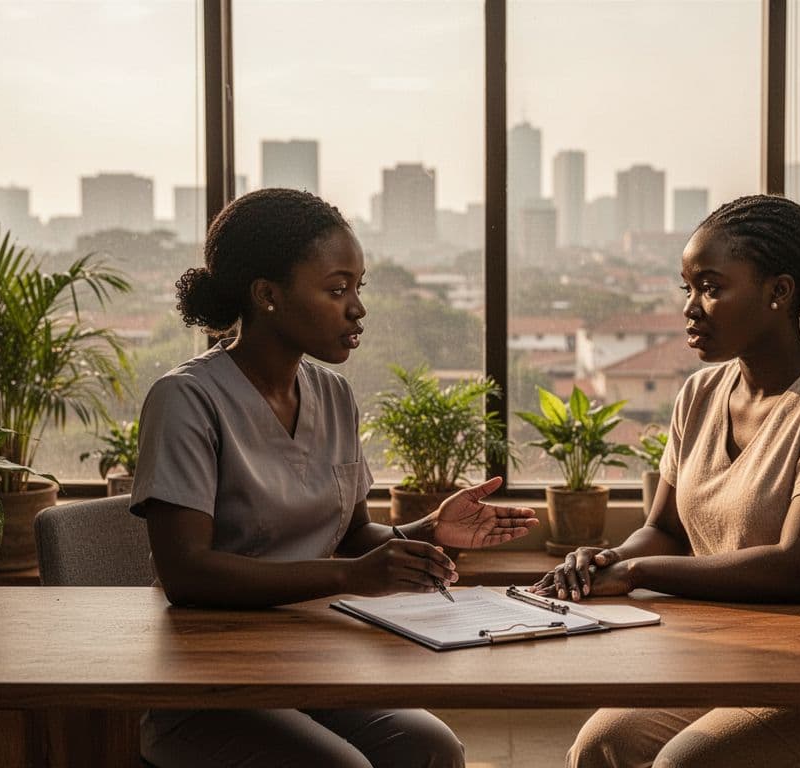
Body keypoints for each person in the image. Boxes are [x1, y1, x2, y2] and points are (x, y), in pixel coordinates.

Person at [130, 188, 539, 768]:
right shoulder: (187, 400)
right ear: (267, 295)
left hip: (312, 659)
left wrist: (429, 530)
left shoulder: (333, 394)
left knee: (432, 746)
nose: (357, 309)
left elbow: (352, 539)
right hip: (211, 682)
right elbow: (186, 573)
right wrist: (351, 574)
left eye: (358, 288)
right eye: (336, 289)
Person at [533, 194, 800, 768]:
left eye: (710, 287)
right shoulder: (700, 394)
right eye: (686, 287)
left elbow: (796, 569)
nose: (691, 307)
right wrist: (608, 558)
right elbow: (662, 529)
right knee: (603, 745)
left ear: (779, 293)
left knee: (687, 763)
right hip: (731, 657)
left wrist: (636, 572)